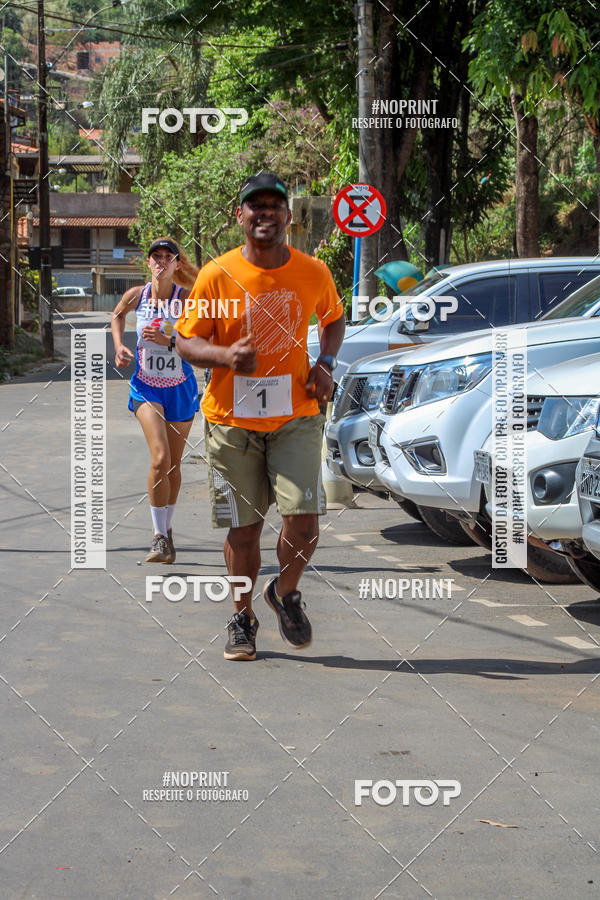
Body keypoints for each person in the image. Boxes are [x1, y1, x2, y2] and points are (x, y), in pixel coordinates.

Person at [176, 172, 345, 660]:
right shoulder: (216, 275)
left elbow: (333, 320)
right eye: (256, 206)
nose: (265, 212)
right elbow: (185, 341)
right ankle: (242, 616)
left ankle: (283, 591)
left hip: (296, 414)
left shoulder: (313, 271)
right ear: (241, 217)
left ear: (289, 217)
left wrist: (325, 364)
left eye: (275, 205)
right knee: (243, 530)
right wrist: (226, 358)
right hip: (231, 421)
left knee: (305, 523)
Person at [111, 237, 200, 563]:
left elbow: (201, 341)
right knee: (160, 457)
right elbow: (117, 315)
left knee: (174, 467)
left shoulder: (187, 300)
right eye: (155, 256)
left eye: (168, 256)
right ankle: (158, 536)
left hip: (180, 386)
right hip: (147, 386)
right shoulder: (137, 296)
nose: (161, 261)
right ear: (147, 262)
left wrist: (169, 340)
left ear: (177, 263)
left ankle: (167, 529)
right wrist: (119, 345)